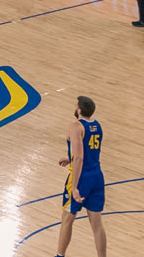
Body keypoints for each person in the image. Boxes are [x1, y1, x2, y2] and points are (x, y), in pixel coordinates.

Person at [55, 95, 107, 257]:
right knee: (96, 223)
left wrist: (75, 187)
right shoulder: (97, 126)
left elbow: (79, 158)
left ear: (79, 110)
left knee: (67, 218)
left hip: (81, 177)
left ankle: (59, 255)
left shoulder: (76, 126)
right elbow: (88, 152)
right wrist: (69, 158)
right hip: (97, 175)